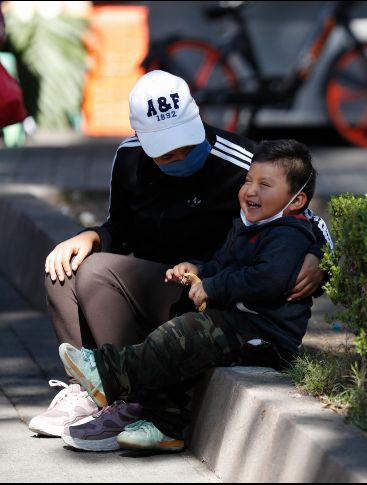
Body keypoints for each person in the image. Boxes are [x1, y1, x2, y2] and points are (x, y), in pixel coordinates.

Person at [29, 70, 333, 438]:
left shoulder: (244, 164)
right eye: (167, 152)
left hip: (208, 292)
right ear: (142, 140)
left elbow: (305, 219)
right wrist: (91, 236)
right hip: (160, 281)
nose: (181, 156)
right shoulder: (129, 158)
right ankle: (87, 393)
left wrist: (319, 258)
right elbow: (120, 229)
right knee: (63, 267)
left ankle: (133, 400)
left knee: (96, 274)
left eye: (187, 144)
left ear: (197, 115)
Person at [59, 139, 318, 452]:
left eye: (265, 185)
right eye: (248, 180)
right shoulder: (247, 225)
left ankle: (109, 373)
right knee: (178, 337)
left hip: (267, 337)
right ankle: (163, 425)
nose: (250, 191)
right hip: (240, 324)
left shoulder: (289, 234)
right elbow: (222, 263)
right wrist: (199, 270)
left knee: (184, 334)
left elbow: (266, 280)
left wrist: (213, 286)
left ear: (296, 199)